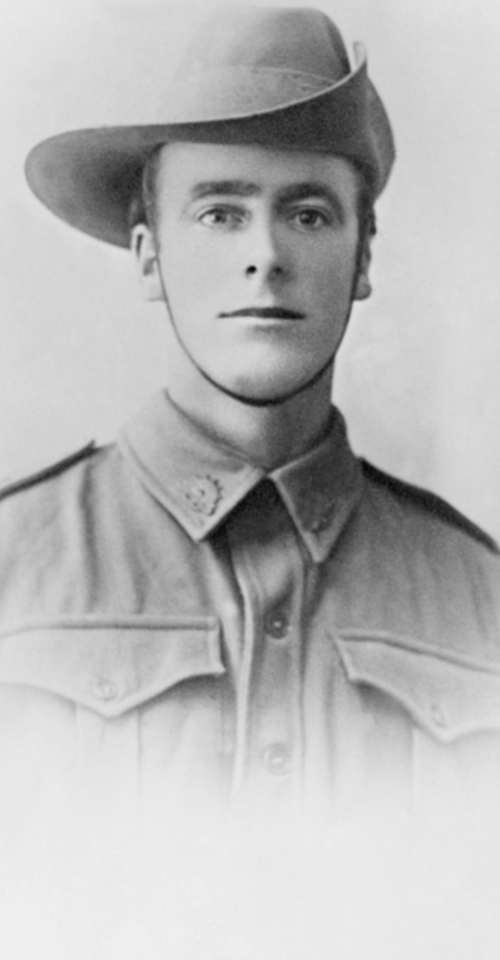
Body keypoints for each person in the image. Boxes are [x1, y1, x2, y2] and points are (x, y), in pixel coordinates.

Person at [1, 4, 500, 846]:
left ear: (363, 258)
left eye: (308, 214)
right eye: (219, 213)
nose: (265, 253)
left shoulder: (479, 600)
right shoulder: (14, 565)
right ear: (149, 257)